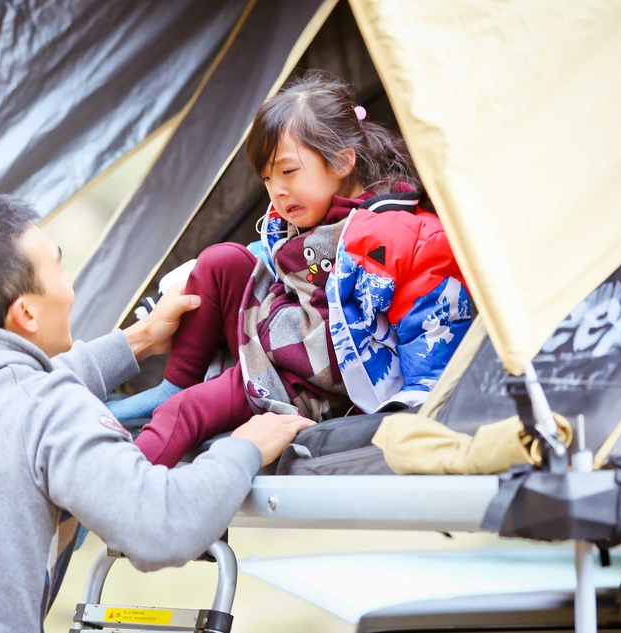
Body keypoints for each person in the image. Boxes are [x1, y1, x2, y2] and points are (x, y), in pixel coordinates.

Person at [0, 195, 312, 633]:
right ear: (25, 313)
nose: (70, 285)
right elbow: (161, 525)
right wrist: (245, 445)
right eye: (61, 268)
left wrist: (136, 340)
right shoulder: (43, 408)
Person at [108, 71, 473, 467]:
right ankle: (174, 384)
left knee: (184, 413)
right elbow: (267, 257)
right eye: (267, 178)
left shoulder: (399, 233)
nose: (277, 190)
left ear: (342, 160)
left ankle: (118, 488)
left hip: (304, 383)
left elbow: (433, 316)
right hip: (278, 336)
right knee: (220, 260)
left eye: (287, 171)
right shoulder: (302, 220)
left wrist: (418, 401)